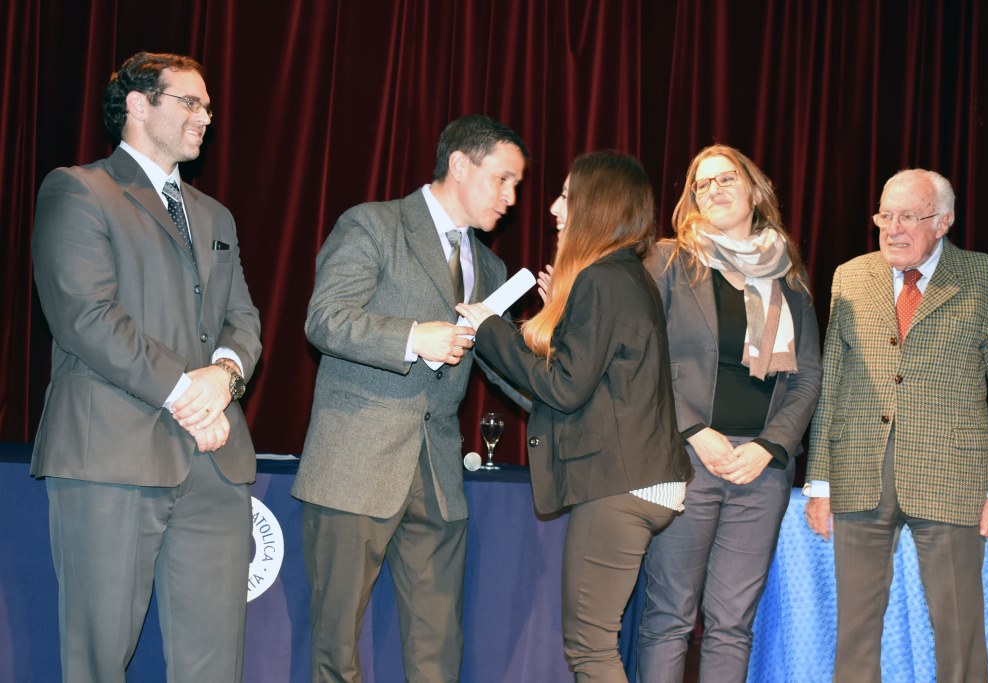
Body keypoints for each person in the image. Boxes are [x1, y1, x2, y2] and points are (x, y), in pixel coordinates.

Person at [30, 52, 262, 682]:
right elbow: (87, 317)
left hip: (216, 464)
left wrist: (225, 377)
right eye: (191, 102)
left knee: (213, 663)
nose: (206, 118)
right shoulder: (78, 190)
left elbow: (244, 320)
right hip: (111, 453)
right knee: (99, 658)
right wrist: (190, 393)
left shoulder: (216, 215)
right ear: (137, 105)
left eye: (209, 107)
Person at [293, 114, 528, 683]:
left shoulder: (492, 267)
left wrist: (548, 340)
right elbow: (324, 319)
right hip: (356, 461)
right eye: (503, 179)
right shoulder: (374, 225)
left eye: (516, 185)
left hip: (439, 473)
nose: (512, 197)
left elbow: (504, 372)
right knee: (335, 646)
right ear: (460, 164)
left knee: (438, 649)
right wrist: (411, 336)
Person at [457, 151, 693, 683]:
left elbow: (563, 388)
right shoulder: (620, 278)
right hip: (639, 482)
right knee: (595, 644)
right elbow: (586, 386)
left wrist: (492, 327)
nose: (552, 208)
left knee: (589, 649)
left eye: (566, 196)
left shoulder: (605, 280)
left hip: (622, 484)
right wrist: (550, 320)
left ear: (595, 205)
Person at [804, 168, 988, 682]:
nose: (892, 229)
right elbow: (831, 381)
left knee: (958, 632)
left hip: (953, 479)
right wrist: (819, 480)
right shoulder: (850, 276)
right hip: (859, 471)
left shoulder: (986, 278)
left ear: (943, 221)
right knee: (854, 633)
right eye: (885, 216)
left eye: (908, 217)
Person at [636, 145, 822, 682]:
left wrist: (768, 447)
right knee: (670, 615)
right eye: (701, 183)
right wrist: (695, 430)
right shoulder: (670, 261)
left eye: (725, 179)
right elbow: (646, 356)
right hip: (686, 459)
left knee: (732, 624)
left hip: (760, 471)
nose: (713, 190)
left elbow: (807, 376)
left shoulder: (789, 279)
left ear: (753, 190)